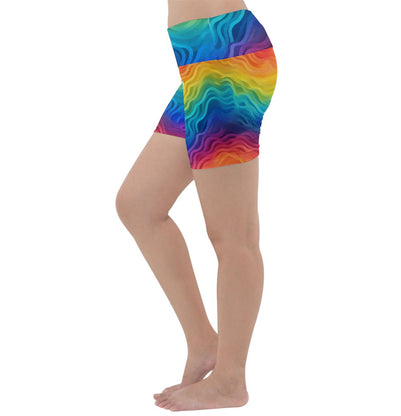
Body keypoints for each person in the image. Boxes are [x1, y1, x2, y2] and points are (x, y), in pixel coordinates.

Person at [115, 0, 277, 411]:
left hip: (226, 62)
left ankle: (229, 381)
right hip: (202, 62)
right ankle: (204, 342)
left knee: (233, 236)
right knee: (138, 204)